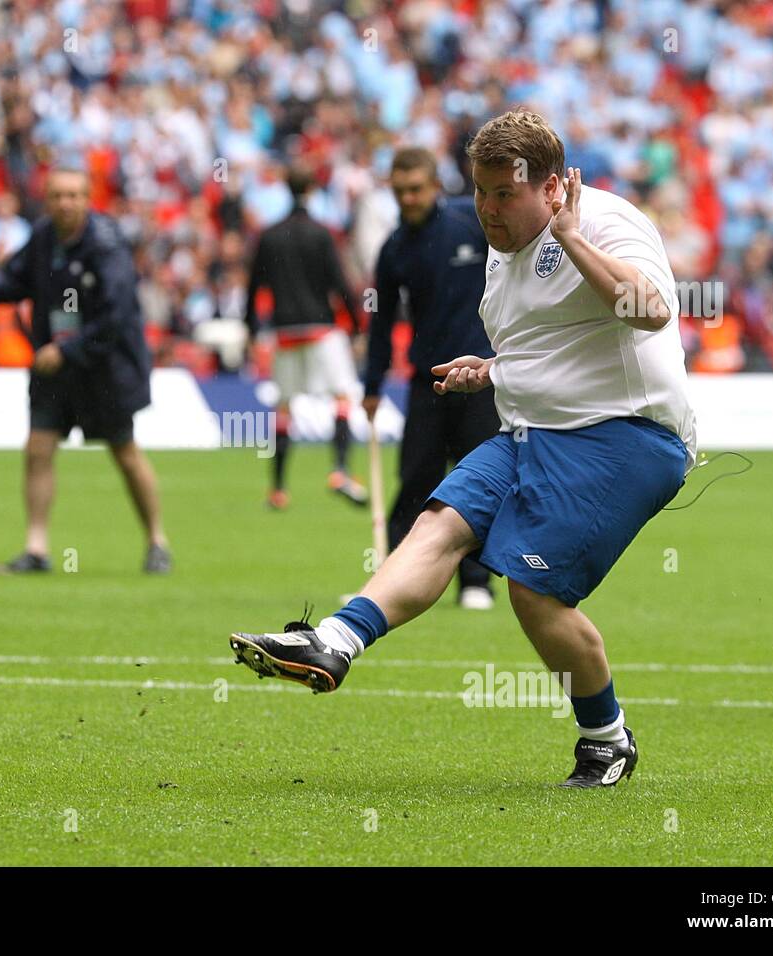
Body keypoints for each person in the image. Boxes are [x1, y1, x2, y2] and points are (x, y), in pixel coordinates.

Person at [229, 109, 698, 789]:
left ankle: (606, 739)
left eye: (504, 194)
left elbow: (650, 311)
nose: (487, 209)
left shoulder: (604, 222)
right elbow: (549, 344)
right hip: (533, 428)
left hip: (626, 434)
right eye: (479, 191)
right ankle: (333, 642)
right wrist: (491, 369)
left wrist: (570, 241)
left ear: (554, 189)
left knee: (533, 593)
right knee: (439, 522)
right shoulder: (502, 250)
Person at [0, 168, 171, 574]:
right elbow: (14, 278)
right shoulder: (43, 237)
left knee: (125, 453)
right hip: (53, 367)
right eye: (57, 195)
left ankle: (157, 541)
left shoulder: (107, 245)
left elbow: (117, 314)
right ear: (47, 198)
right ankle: (36, 549)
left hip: (103, 367)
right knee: (38, 449)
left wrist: (69, 350)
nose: (65, 203)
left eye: (73, 195)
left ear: (87, 198)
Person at [363, 147, 499, 610]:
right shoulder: (394, 247)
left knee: (477, 482)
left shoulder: (473, 224)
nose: (408, 198)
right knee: (415, 481)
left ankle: (477, 582)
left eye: (416, 189)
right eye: (400, 191)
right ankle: (392, 582)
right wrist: (371, 385)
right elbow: (379, 324)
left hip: (480, 379)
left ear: (435, 186)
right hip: (427, 383)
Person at [244, 164, 366, 511]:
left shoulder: (268, 235)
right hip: (321, 330)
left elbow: (253, 288)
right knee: (341, 397)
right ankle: (340, 469)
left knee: (283, 408)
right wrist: (357, 325)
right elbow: (340, 284)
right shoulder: (322, 234)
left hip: (283, 333)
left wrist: (251, 329)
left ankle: (278, 489)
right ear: (312, 189)